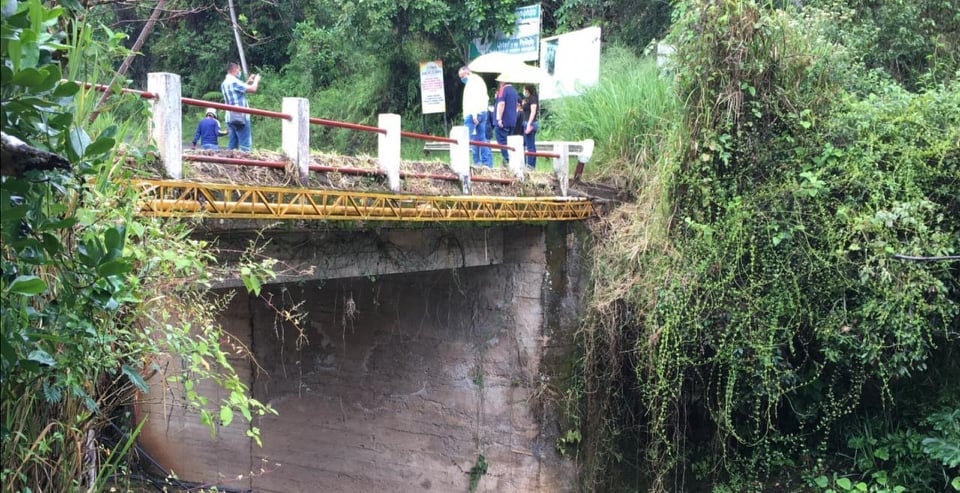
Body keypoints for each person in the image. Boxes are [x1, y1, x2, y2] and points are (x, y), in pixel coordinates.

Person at [220, 62, 261, 152]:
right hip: (240, 117)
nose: (239, 72)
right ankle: (245, 163)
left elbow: (239, 90)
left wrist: (249, 81)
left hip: (230, 117)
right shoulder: (234, 81)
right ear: (234, 69)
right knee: (245, 145)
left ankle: (228, 163)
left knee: (232, 145)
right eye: (239, 70)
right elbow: (253, 89)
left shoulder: (224, 83)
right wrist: (256, 80)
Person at [458, 66, 493, 167]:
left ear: (467, 73)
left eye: (462, 76)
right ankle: (487, 164)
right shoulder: (480, 80)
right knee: (482, 139)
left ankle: (469, 163)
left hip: (473, 114)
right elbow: (485, 97)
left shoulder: (471, 83)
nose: (461, 79)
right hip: (482, 112)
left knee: (467, 139)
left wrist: (474, 114)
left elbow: (472, 99)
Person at [494, 78, 519, 165]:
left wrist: (499, 119)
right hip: (512, 121)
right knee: (509, 142)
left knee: (502, 142)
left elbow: (501, 104)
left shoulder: (503, 90)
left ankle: (507, 160)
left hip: (503, 122)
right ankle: (508, 161)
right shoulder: (514, 91)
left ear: (503, 81)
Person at [520, 85, 539, 169]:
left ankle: (531, 166)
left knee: (530, 146)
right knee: (525, 144)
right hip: (526, 122)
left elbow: (533, 112)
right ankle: (527, 164)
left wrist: (529, 124)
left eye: (524, 89)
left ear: (527, 90)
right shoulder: (528, 99)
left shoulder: (533, 99)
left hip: (530, 123)